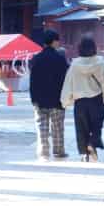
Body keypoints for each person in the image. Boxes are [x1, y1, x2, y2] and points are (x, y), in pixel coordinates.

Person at [60, 35, 104, 162]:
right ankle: (91, 143)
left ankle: (84, 154)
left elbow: (68, 83)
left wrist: (66, 100)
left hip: (80, 102)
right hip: (96, 100)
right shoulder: (101, 63)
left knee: (81, 129)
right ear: (94, 48)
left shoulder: (74, 65)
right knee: (97, 126)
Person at [29, 29, 70, 160]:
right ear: (53, 42)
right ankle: (59, 151)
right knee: (58, 127)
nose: (59, 43)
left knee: (42, 128)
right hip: (57, 100)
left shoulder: (35, 59)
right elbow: (65, 80)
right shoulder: (60, 59)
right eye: (57, 41)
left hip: (40, 100)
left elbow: (33, 80)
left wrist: (33, 98)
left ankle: (43, 153)